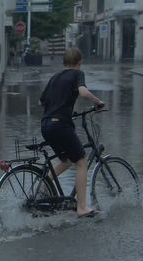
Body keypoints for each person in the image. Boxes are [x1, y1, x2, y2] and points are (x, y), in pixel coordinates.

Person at [39, 48, 105, 218]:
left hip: (46, 125)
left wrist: (60, 108)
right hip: (60, 125)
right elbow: (83, 92)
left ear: (64, 62)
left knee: (67, 160)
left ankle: (41, 187)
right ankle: (82, 208)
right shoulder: (77, 75)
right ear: (79, 62)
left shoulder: (55, 77)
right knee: (81, 161)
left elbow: (42, 101)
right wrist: (98, 102)